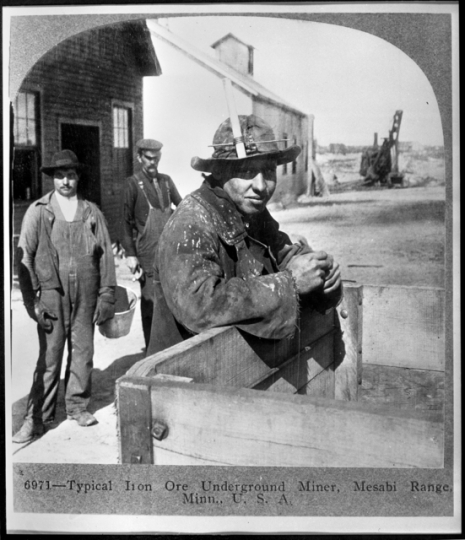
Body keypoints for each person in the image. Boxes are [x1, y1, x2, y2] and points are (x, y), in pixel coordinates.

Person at [146, 115, 342, 356]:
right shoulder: (191, 223)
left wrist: (321, 274)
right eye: (247, 171)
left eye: (269, 170)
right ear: (219, 171)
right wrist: (289, 284)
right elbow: (200, 306)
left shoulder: (251, 213)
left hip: (233, 370)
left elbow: (284, 254)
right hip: (182, 379)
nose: (261, 185)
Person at [14, 150, 116, 443]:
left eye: (71, 175)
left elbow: (106, 256)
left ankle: (77, 406)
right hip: (51, 293)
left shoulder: (91, 211)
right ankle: (37, 419)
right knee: (49, 357)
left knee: (83, 352)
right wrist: (33, 302)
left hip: (86, 291)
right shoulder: (38, 211)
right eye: (60, 176)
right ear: (52, 178)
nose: (66, 181)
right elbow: (25, 259)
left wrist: (106, 296)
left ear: (78, 177)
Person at [120, 139, 182, 348]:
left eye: (156, 158)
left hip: (170, 252)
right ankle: (152, 351)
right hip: (146, 254)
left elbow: (182, 208)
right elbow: (126, 221)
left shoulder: (166, 181)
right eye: (148, 158)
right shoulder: (132, 183)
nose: (153, 162)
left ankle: (171, 348)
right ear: (139, 158)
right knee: (151, 306)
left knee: (173, 301)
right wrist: (130, 254)